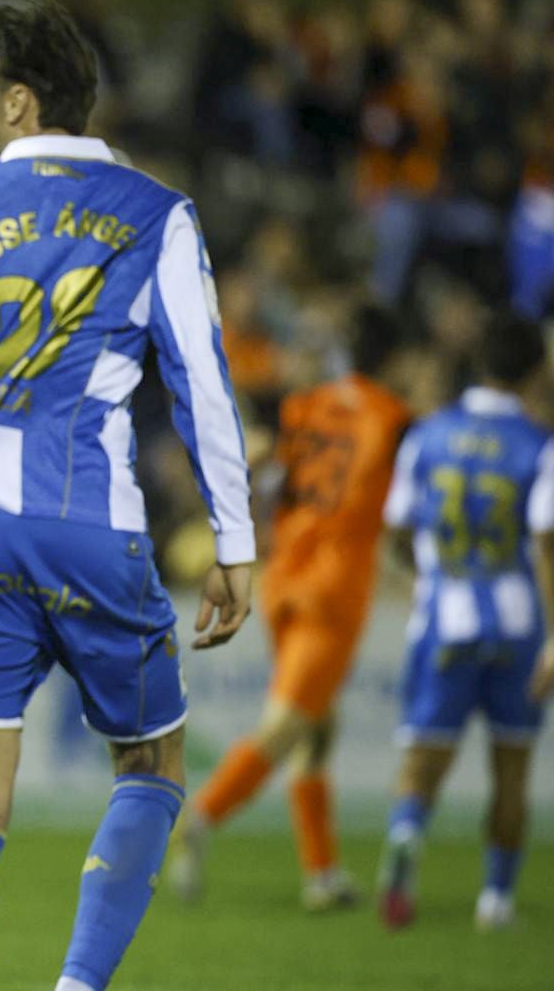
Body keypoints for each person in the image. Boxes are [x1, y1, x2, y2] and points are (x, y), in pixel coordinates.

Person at [0, 0, 254, 991]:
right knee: (153, 763)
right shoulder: (156, 212)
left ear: (18, 102)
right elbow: (201, 385)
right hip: (94, 526)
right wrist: (233, 539)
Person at [169, 306, 410, 911]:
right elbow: (404, 513)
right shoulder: (394, 419)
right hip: (334, 589)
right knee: (287, 725)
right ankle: (197, 820)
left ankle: (322, 874)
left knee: (318, 729)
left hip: (284, 579)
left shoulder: (306, 406)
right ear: (397, 359)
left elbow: (266, 474)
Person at [375, 312, 554, 932]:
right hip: (518, 625)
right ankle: (496, 901)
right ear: (537, 367)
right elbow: (546, 542)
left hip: (443, 616)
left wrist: (428, 571)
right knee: (511, 767)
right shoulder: (540, 444)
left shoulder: (427, 435)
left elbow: (396, 524)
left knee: (422, 760)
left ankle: (405, 837)